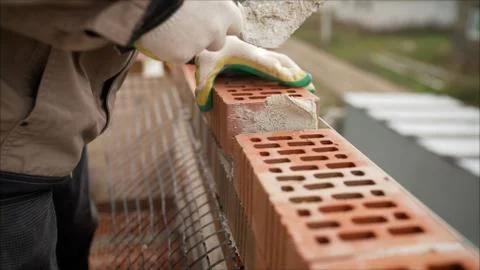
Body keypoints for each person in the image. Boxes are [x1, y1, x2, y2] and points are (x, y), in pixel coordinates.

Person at [0, 1, 311, 269]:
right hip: (10, 142)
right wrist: (153, 8)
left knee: (75, 234)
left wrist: (201, 45)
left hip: (54, 117)